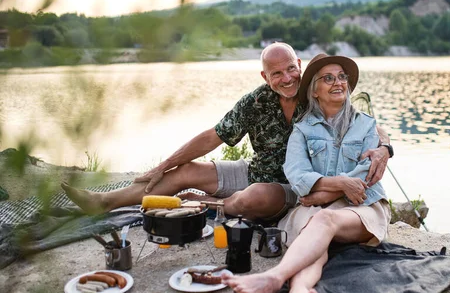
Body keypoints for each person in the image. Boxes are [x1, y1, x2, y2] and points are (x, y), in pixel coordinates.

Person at [62, 43, 391, 221]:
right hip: (253, 172)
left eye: (291, 69)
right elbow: (212, 136)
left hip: (296, 186)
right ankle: (105, 202)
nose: (287, 78)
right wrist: (165, 164)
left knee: (257, 196)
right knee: (185, 171)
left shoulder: (316, 94)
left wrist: (383, 148)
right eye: (277, 73)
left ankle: (211, 205)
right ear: (265, 77)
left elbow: (367, 123)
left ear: (300, 65)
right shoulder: (255, 102)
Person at [222, 53, 390, 293]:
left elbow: (364, 179)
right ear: (314, 91)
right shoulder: (302, 130)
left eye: (342, 77)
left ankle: (274, 278)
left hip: (362, 207)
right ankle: (299, 290)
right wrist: (339, 183)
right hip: (313, 208)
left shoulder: (366, 126)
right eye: (328, 78)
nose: (338, 83)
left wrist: (322, 194)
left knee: (324, 220)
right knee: (314, 231)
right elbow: (297, 176)